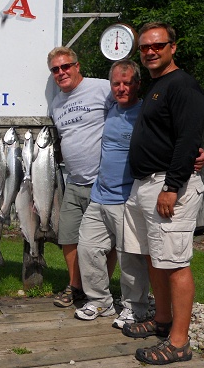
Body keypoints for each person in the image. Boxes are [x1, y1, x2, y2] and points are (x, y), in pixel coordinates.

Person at [122, 22, 204, 365]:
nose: (151, 51)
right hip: (145, 185)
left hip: (167, 186)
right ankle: (162, 320)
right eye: (144, 47)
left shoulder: (182, 85)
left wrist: (172, 187)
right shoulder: (158, 85)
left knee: (174, 263)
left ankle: (179, 343)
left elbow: (188, 139)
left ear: (173, 46)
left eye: (157, 45)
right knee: (155, 257)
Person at [74, 60, 150, 325]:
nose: (121, 88)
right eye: (116, 83)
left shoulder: (145, 112)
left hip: (127, 198)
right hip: (100, 195)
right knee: (87, 249)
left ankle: (136, 307)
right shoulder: (110, 110)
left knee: (130, 258)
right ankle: (100, 302)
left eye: (127, 83)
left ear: (137, 84)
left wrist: (195, 154)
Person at [48, 47, 117, 308]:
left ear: (77, 66)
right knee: (67, 237)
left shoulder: (102, 88)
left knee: (103, 244)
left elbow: (129, 117)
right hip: (73, 181)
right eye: (55, 69)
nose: (61, 72)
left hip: (102, 182)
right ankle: (76, 286)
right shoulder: (56, 103)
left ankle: (99, 289)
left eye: (66, 66)